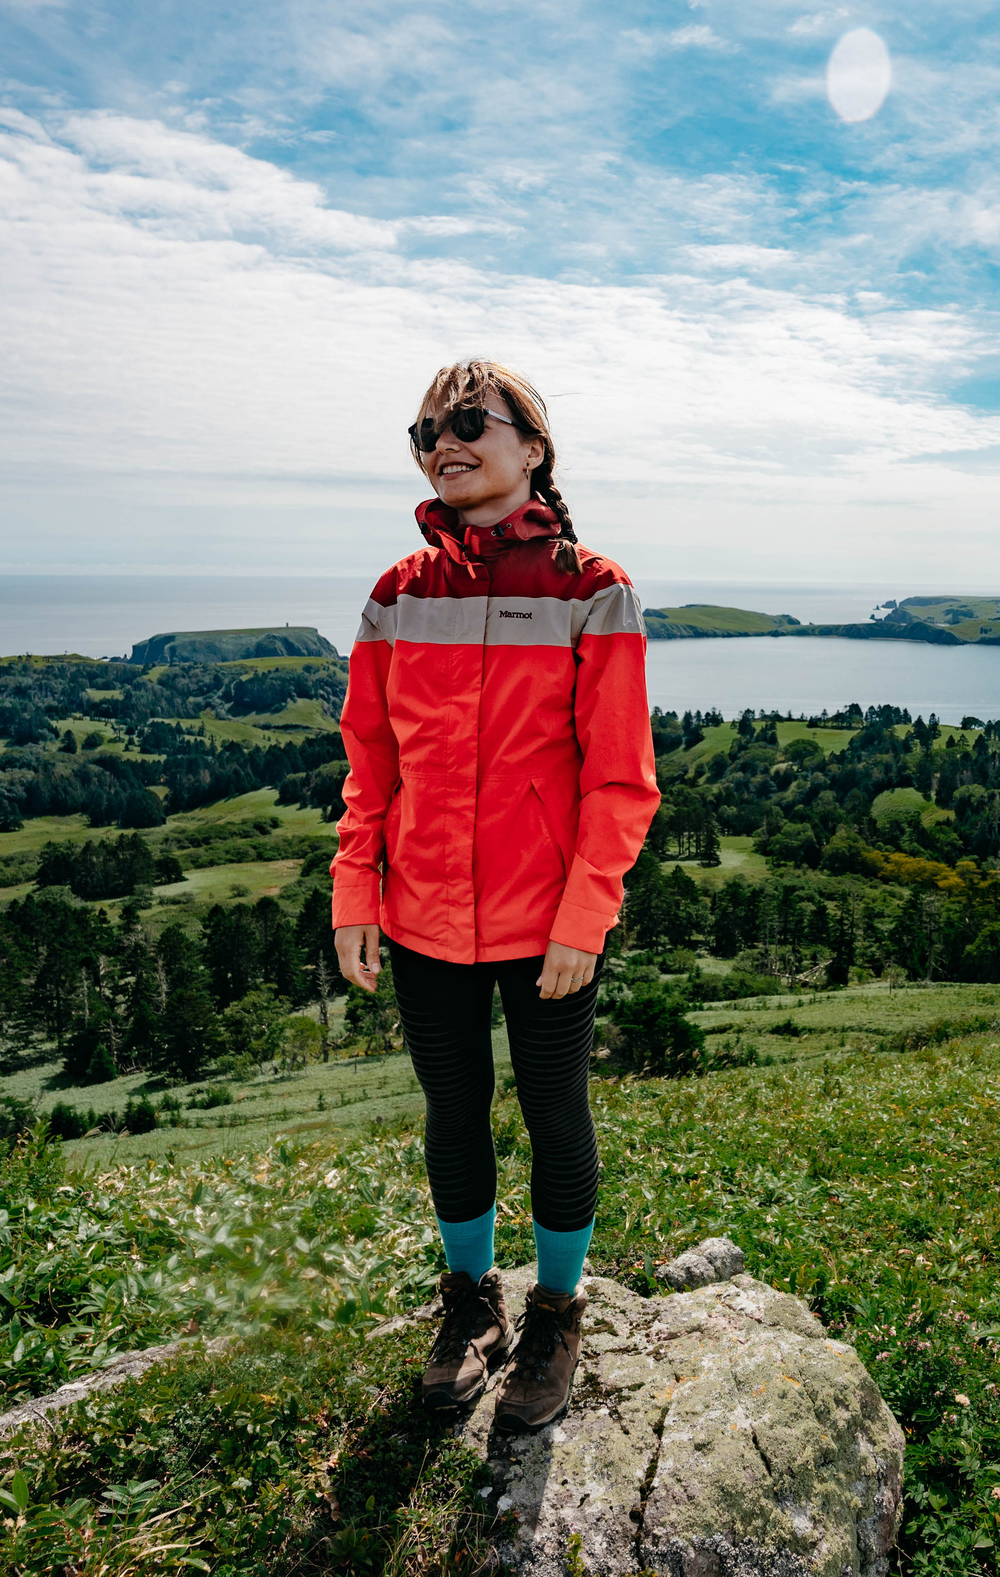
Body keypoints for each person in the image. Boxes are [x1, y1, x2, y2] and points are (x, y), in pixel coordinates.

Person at [331, 359, 659, 1429]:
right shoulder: (396, 593)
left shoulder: (591, 587)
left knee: (556, 1113)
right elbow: (370, 762)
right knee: (452, 1111)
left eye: (470, 420)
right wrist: (354, 890)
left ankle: (557, 1311)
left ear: (534, 446)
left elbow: (619, 778)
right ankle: (471, 1301)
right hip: (422, 912)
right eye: (423, 428)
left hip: (544, 926)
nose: (442, 441)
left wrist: (583, 919)